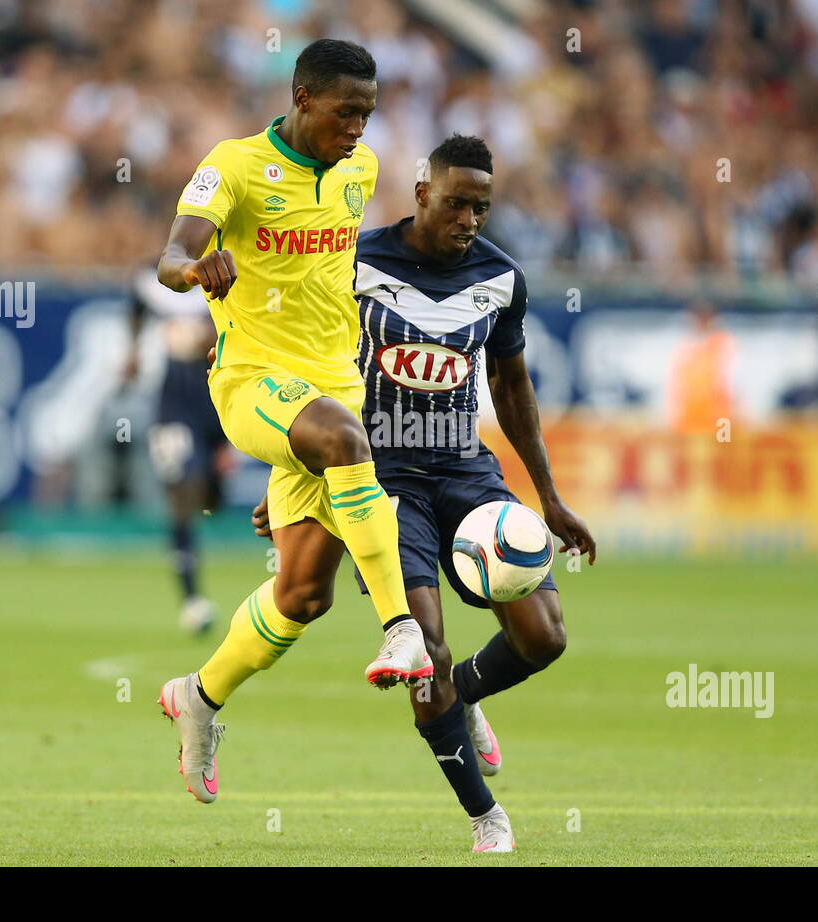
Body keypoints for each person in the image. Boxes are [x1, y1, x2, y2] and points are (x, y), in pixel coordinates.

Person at [252, 135, 596, 851]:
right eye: (456, 202)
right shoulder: (356, 262)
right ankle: (485, 817)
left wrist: (550, 498)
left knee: (544, 637)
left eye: (481, 207)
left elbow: (511, 386)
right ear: (421, 195)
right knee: (423, 653)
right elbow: (307, 368)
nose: (469, 218)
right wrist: (298, 476)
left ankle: (464, 700)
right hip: (382, 481)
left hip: (467, 471)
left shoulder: (501, 280)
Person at [154, 39, 431, 806]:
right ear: (303, 97)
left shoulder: (361, 171)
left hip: (334, 391)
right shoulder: (236, 165)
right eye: (346, 112)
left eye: (368, 115)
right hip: (252, 384)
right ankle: (403, 632)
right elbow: (169, 256)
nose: (359, 129)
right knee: (348, 446)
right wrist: (194, 269)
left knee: (304, 595)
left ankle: (198, 697)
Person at [124, 267, 228, 634]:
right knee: (183, 491)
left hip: (218, 391)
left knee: (211, 498)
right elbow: (137, 302)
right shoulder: (160, 282)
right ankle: (191, 598)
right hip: (174, 400)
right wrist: (132, 351)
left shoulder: (228, 268)